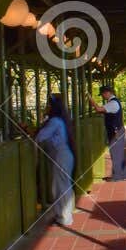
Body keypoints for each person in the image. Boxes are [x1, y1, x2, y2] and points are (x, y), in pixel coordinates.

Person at [28, 93, 76, 226]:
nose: (46, 107)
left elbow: (40, 137)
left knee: (60, 186)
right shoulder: (61, 120)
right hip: (65, 154)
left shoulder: (54, 122)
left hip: (61, 155)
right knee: (64, 184)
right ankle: (65, 214)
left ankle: (64, 217)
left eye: (48, 105)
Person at [93, 85, 126, 180]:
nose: (102, 96)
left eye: (103, 94)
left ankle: (117, 176)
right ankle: (123, 174)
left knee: (115, 153)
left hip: (115, 131)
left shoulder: (113, 103)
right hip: (118, 129)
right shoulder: (114, 102)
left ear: (107, 93)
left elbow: (99, 109)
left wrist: (91, 100)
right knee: (119, 153)